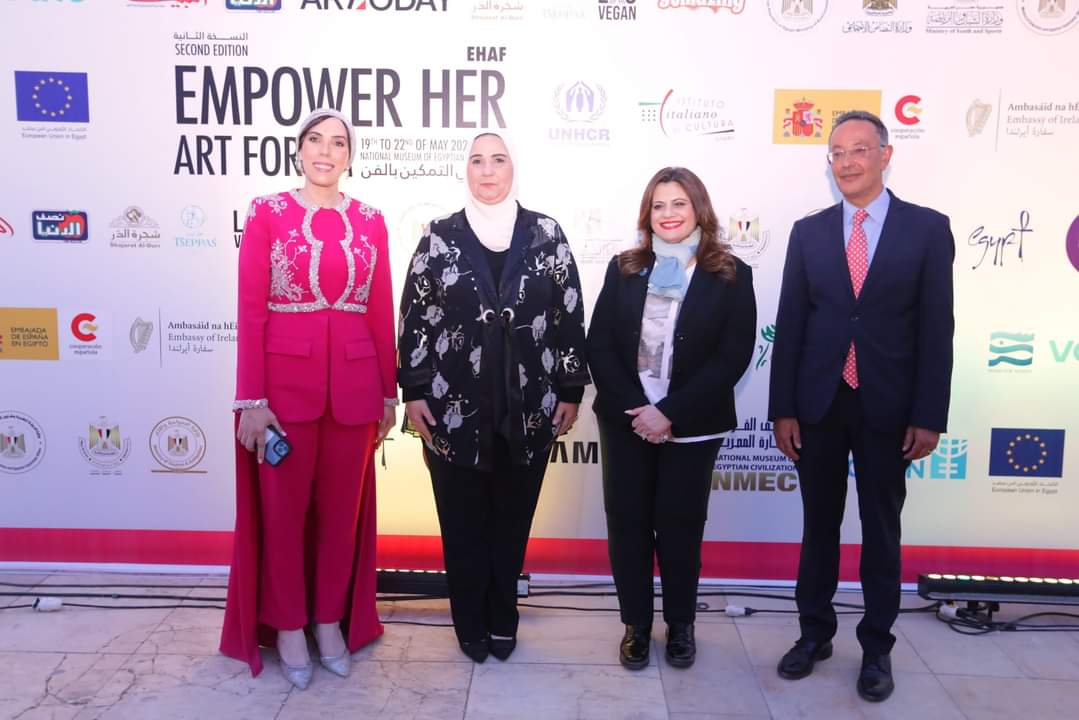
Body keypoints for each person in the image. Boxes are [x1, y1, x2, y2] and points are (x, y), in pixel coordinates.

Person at [769, 110, 954, 702]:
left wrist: (929, 414)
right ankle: (813, 635)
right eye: (837, 153)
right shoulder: (809, 232)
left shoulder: (927, 229)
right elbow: (791, 325)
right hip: (819, 404)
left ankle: (877, 648)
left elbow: (937, 330)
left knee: (881, 530)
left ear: (885, 155)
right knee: (818, 526)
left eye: (859, 150)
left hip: (890, 409)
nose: (847, 162)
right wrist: (783, 409)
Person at [220, 108, 398, 689]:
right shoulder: (266, 212)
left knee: (341, 521)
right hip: (282, 395)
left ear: (350, 156)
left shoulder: (371, 220)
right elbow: (251, 310)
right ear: (299, 150)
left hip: (355, 393)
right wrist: (251, 399)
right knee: (283, 517)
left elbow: (379, 312)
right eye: (316, 140)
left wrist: (388, 393)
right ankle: (290, 627)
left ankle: (328, 622)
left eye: (338, 143)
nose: (326, 151)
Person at [396, 132, 590, 663]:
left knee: (512, 522)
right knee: (461, 525)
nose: (487, 170)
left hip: (530, 410)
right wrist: (414, 390)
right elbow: (415, 316)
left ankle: (504, 616)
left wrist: (571, 389)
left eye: (498, 160)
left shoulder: (546, 234)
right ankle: (469, 622)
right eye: (477, 160)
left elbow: (568, 314)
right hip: (451, 412)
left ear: (513, 169)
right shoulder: (439, 237)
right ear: (466, 170)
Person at [587, 167, 756, 670]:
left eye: (678, 203)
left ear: (698, 209)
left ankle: (681, 625)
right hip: (627, 422)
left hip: (693, 424)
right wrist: (639, 411)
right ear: (647, 215)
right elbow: (599, 345)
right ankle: (636, 626)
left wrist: (669, 412)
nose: (668, 214)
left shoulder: (730, 273)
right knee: (628, 527)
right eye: (658, 205)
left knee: (681, 529)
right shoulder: (624, 268)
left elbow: (732, 357)